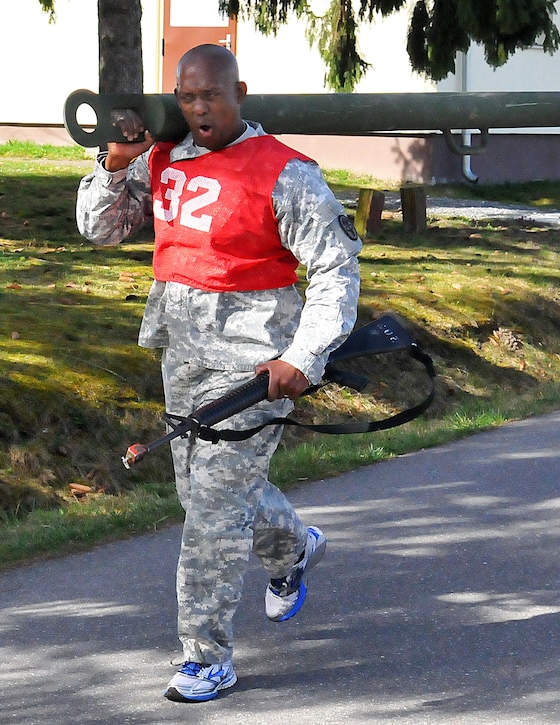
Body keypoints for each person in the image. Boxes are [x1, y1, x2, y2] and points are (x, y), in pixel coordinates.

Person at [76, 44, 361, 701]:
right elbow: (101, 230)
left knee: (211, 509)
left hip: (256, 363)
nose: (199, 108)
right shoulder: (164, 156)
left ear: (240, 92)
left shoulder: (286, 172)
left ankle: (205, 656)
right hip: (182, 354)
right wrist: (114, 167)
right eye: (187, 96)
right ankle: (291, 547)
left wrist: (303, 356)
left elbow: (337, 272)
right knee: (203, 491)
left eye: (211, 94)